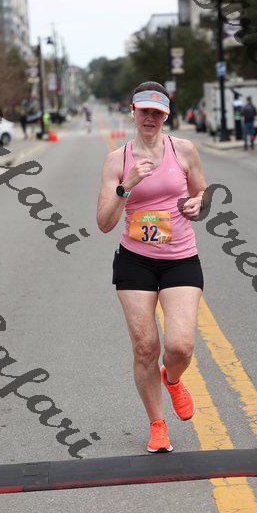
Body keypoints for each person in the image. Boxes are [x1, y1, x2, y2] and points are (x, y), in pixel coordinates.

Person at [97, 81, 207, 454]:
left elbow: (203, 193)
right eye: (144, 111)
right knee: (145, 346)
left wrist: (198, 204)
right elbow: (104, 223)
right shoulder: (117, 161)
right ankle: (157, 424)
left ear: (165, 115)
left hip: (180, 258)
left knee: (180, 346)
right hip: (135, 262)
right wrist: (127, 185)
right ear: (133, 111)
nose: (150, 118)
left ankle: (172, 379)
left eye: (157, 113)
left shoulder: (184, 150)